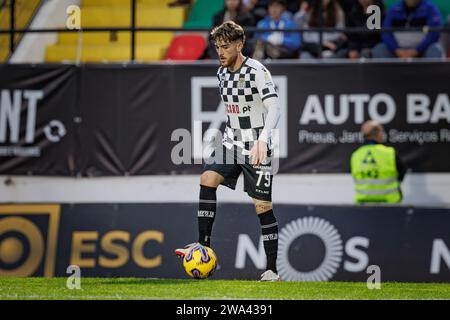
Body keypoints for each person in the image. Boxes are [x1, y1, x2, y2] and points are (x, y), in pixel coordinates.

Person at [175, 21, 282, 282]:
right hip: (232, 144)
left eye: (225, 47)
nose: (220, 52)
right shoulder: (221, 74)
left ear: (239, 45)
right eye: (217, 47)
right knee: (207, 178)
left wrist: (263, 140)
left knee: (262, 206)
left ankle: (272, 270)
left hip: (258, 146)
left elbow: (275, 108)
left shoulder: (258, 71)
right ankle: (202, 245)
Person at [350, 120, 406, 204]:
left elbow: (355, 177)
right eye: (382, 132)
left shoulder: (356, 155)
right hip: (390, 204)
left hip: (363, 205)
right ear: (378, 134)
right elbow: (401, 173)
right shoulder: (390, 153)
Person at [372, 0, 445, 59]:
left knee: (435, 50)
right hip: (397, 51)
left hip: (423, 50)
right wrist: (396, 50)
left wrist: (417, 50)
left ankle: (430, 77)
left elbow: (434, 33)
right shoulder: (394, 9)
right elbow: (386, 33)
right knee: (379, 49)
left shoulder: (431, 8)